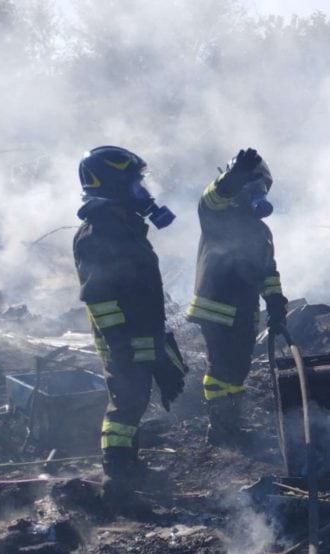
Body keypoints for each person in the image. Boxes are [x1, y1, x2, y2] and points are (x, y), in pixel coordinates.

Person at [72, 146, 187, 491]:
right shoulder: (98, 234)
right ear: (115, 185)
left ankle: (129, 467)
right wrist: (120, 345)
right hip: (121, 338)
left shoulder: (125, 226)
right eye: (135, 182)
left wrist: (158, 337)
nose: (143, 190)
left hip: (140, 332)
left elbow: (141, 284)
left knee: (136, 401)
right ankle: (117, 477)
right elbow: (98, 297)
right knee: (125, 406)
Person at [187, 148, 287, 445]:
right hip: (216, 307)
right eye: (252, 184)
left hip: (245, 310)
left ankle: (232, 423)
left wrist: (276, 302)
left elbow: (268, 271)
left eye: (262, 187)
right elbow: (213, 196)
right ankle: (220, 428)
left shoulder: (261, 231)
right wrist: (235, 175)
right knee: (220, 367)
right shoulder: (216, 215)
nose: (258, 192)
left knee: (239, 369)